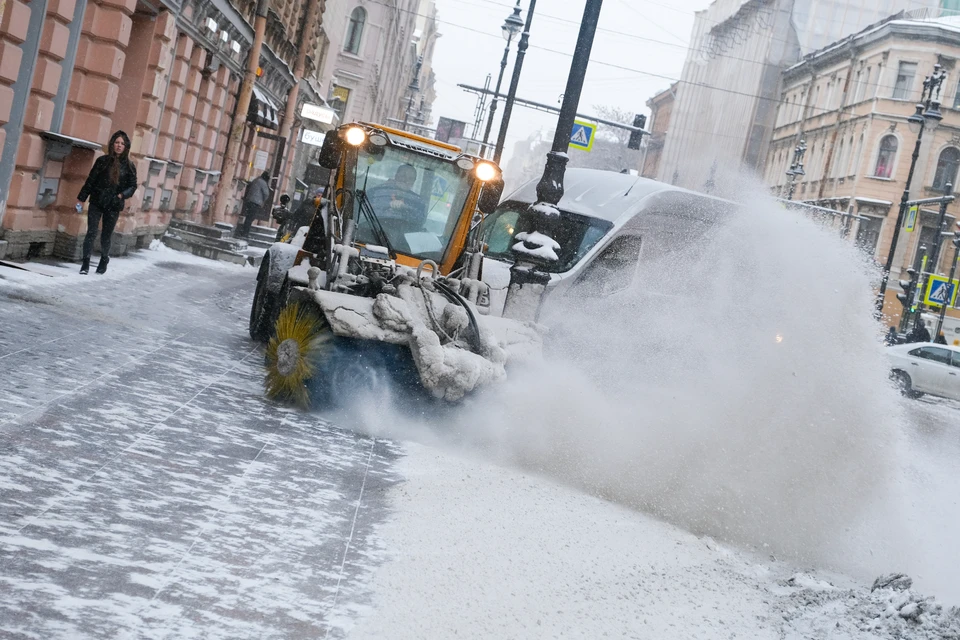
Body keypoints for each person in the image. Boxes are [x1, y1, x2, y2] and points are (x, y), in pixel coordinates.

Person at [76, 130, 137, 275]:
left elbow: (133, 185)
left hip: (113, 204)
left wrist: (122, 195)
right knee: (91, 232)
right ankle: (85, 263)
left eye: (122, 143)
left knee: (106, 235)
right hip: (97, 201)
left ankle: (104, 260)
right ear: (112, 144)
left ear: (126, 147)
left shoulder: (129, 166)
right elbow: (91, 180)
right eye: (116, 142)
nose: (119, 146)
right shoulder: (102, 161)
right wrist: (81, 198)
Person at [366, 164, 427, 228]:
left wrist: (404, 208)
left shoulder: (417, 201)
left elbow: (420, 220)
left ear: (413, 182)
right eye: (403, 176)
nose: (406, 180)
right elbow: (366, 211)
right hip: (373, 231)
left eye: (410, 178)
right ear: (396, 176)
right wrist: (388, 205)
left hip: (404, 235)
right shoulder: (377, 192)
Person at [239, 171, 271, 238]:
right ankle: (245, 233)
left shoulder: (256, 180)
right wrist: (264, 201)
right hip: (256, 203)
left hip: (249, 200)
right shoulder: (263, 183)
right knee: (250, 218)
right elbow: (266, 194)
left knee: (248, 217)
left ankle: (243, 231)